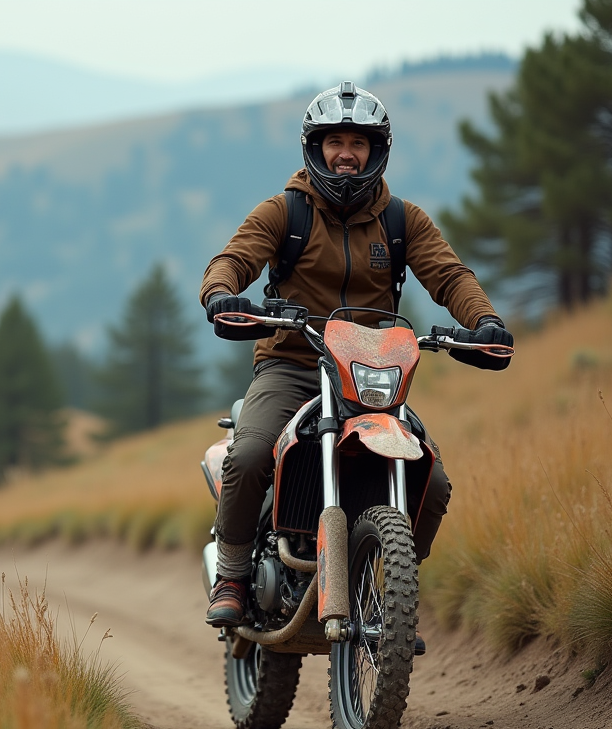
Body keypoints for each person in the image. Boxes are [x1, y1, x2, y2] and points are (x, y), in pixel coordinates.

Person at [198, 81, 513, 635]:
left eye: (359, 142)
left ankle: (390, 588)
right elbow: (233, 259)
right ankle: (233, 576)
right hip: (292, 366)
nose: (347, 152)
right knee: (248, 455)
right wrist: (221, 293)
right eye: (335, 141)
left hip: (371, 375)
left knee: (432, 482)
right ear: (314, 149)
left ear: (377, 151)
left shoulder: (401, 221)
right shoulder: (285, 212)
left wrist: (483, 322)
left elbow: (449, 275)